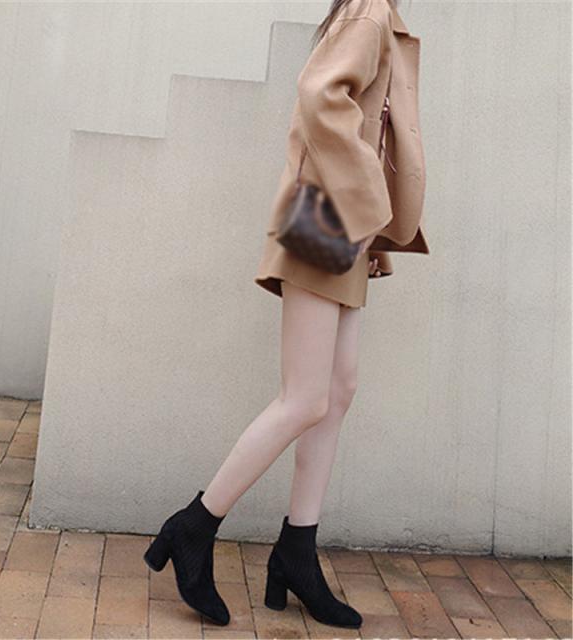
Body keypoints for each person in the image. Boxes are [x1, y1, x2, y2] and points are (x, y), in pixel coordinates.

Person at [143, 0, 430, 629]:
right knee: (304, 398)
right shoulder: (369, 12)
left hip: (341, 222)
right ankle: (194, 525)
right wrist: (367, 205)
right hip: (325, 217)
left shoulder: (379, 14)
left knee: (337, 388)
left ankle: (297, 550)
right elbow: (320, 96)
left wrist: (370, 230)